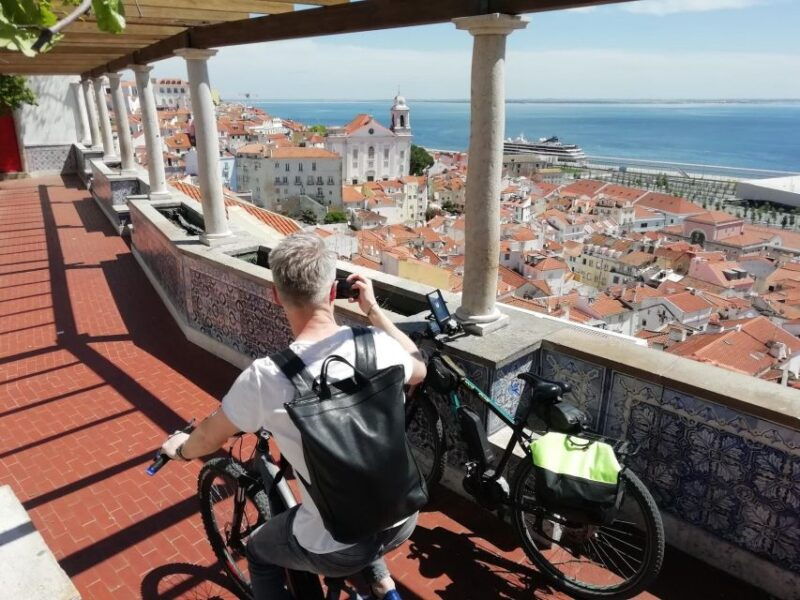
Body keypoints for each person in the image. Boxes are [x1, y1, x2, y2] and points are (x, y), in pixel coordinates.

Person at [160, 232, 426, 600]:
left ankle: (370, 575)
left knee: (259, 551)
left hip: (336, 544)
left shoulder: (267, 377)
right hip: (403, 516)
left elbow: (208, 438)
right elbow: (418, 368)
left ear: (275, 295)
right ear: (333, 291)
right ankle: (381, 583)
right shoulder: (377, 344)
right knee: (355, 483)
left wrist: (182, 448)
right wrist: (374, 311)